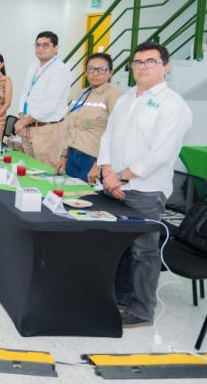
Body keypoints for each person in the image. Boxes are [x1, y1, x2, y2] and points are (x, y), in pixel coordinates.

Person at [98, 42, 192, 328]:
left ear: (166, 67)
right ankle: (119, 298)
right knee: (118, 247)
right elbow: (108, 137)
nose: (142, 67)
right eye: (137, 62)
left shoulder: (173, 104)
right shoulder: (127, 98)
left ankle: (141, 310)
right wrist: (106, 170)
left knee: (143, 251)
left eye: (151, 62)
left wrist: (122, 176)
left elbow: (161, 152)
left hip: (145, 190)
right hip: (114, 184)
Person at [55, 53, 122, 183]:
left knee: (88, 195)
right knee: (70, 193)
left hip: (92, 160)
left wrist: (99, 165)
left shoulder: (114, 96)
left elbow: (116, 134)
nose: (95, 74)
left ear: (110, 72)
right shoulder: (81, 93)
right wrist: (63, 156)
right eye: (91, 69)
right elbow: (70, 126)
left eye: (101, 70)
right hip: (72, 155)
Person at [15, 31, 72, 167]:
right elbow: (24, 95)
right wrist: (23, 121)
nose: (40, 49)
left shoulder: (60, 70)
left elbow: (48, 106)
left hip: (47, 130)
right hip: (28, 127)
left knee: (45, 171)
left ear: (56, 48)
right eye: (38, 45)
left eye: (46, 45)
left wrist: (23, 122)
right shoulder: (33, 67)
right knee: (29, 169)